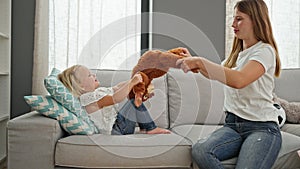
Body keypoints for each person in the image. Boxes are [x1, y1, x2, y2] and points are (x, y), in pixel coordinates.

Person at [176, 0, 282, 168]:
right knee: (201, 150)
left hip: (261, 128)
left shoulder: (265, 51)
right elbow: (215, 74)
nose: (233, 24)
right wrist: (194, 62)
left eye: (239, 19)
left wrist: (200, 61)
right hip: (233, 126)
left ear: (256, 20)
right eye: (233, 18)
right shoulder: (237, 56)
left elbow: (239, 80)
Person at [58, 64, 170, 135]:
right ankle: (150, 127)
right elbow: (115, 98)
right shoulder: (88, 99)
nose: (93, 75)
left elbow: (117, 88)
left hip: (117, 125)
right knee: (133, 103)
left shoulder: (98, 92)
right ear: (81, 86)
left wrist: (134, 81)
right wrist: (132, 82)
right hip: (116, 130)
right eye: (89, 75)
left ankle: (143, 126)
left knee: (135, 100)